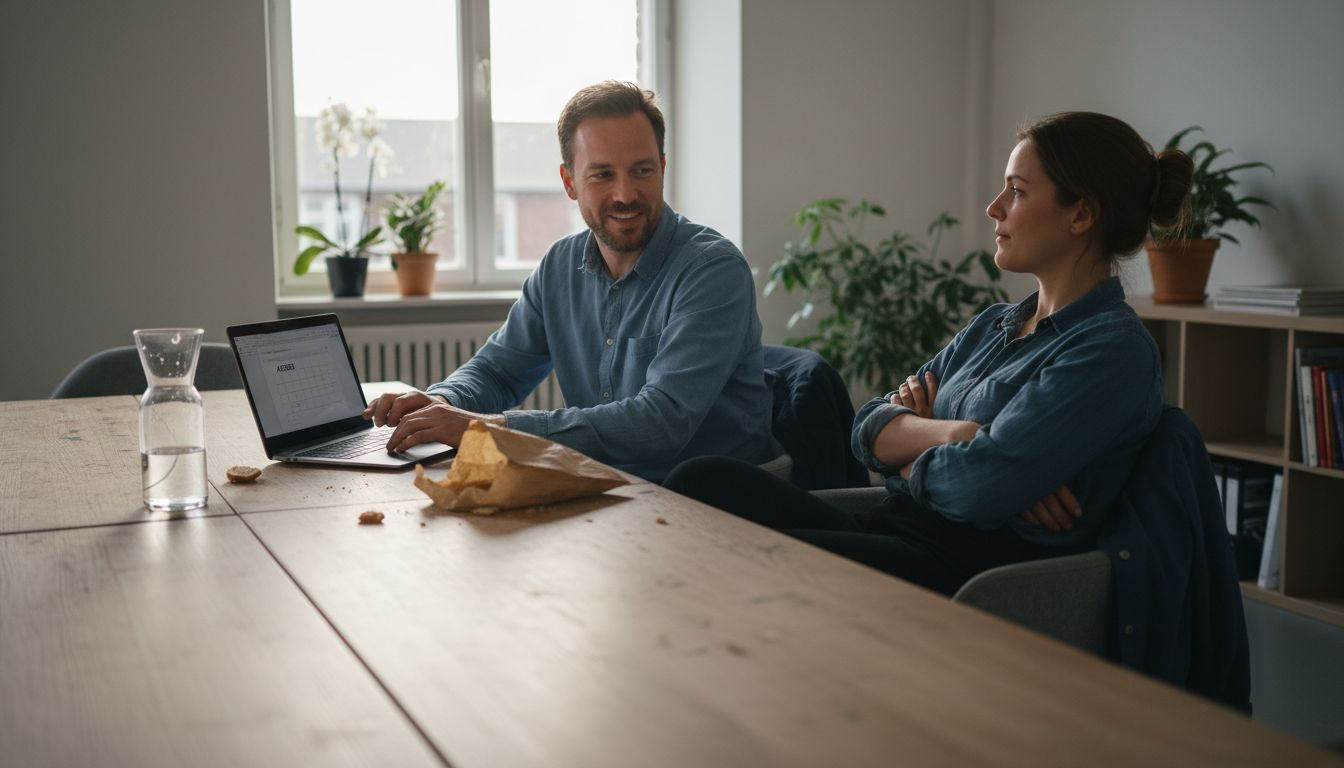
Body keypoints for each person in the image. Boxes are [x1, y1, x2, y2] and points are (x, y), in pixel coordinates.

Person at [664, 111, 1194, 596]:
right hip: (893, 525)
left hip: (964, 571)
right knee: (699, 482)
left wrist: (915, 450)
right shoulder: (995, 324)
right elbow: (867, 427)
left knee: (731, 554)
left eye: (1017, 191)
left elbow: (982, 488)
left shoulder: (1110, 350)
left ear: (1080, 216)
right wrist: (964, 436)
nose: (994, 208)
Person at [364, 81, 774, 482]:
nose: (625, 194)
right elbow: (500, 372)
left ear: (662, 168)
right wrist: (443, 402)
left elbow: (662, 422)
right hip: (609, 490)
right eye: (602, 175)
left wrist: (487, 428)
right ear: (569, 182)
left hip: (719, 504)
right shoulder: (560, 266)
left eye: (642, 170)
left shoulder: (712, 270)